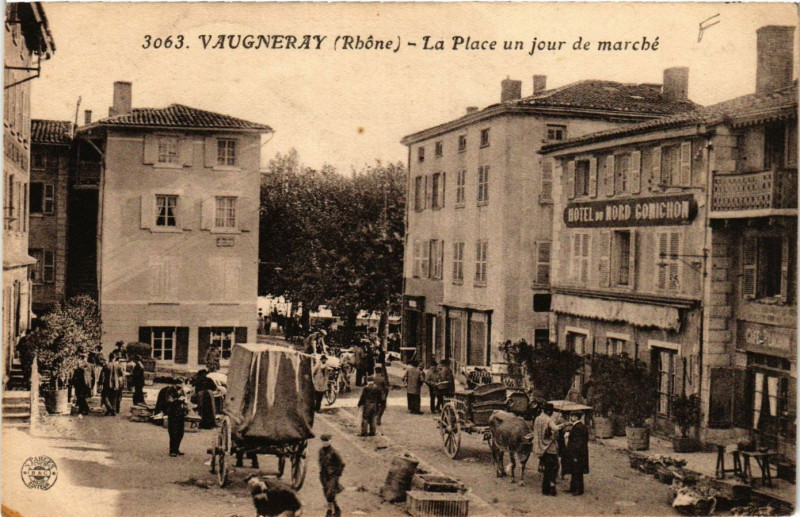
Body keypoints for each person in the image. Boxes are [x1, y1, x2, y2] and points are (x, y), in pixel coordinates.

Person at [533, 402, 567, 496]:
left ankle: (545, 489)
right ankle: (552, 486)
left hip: (540, 446)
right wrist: (563, 425)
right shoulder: (548, 419)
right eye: (551, 411)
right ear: (548, 411)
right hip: (549, 447)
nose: (552, 413)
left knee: (546, 468)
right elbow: (555, 428)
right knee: (553, 468)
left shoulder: (537, 418)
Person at [318, 434, 345, 517]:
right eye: (323, 441)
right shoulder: (321, 451)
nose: (325, 443)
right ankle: (336, 506)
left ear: (330, 441)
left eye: (327, 441)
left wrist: (337, 475)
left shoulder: (334, 452)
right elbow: (320, 461)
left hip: (333, 475)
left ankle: (329, 510)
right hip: (324, 475)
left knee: (330, 492)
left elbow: (342, 464)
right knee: (326, 491)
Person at [565, 411, 589, 495]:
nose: (571, 418)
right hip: (579, 453)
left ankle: (578, 490)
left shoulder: (578, 427)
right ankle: (573, 488)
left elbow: (578, 443)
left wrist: (575, 455)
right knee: (575, 471)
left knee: (577, 472)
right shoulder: (580, 426)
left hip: (578, 454)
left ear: (576, 417)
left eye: (572, 416)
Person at [166, 378, 188, 457]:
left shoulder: (182, 391)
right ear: (175, 384)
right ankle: (172, 450)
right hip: (173, 413)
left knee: (180, 433)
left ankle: (177, 449)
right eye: (180, 384)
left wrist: (185, 405)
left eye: (182, 384)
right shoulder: (170, 390)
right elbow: (169, 400)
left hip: (180, 413)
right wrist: (177, 400)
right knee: (173, 432)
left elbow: (185, 401)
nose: (181, 385)